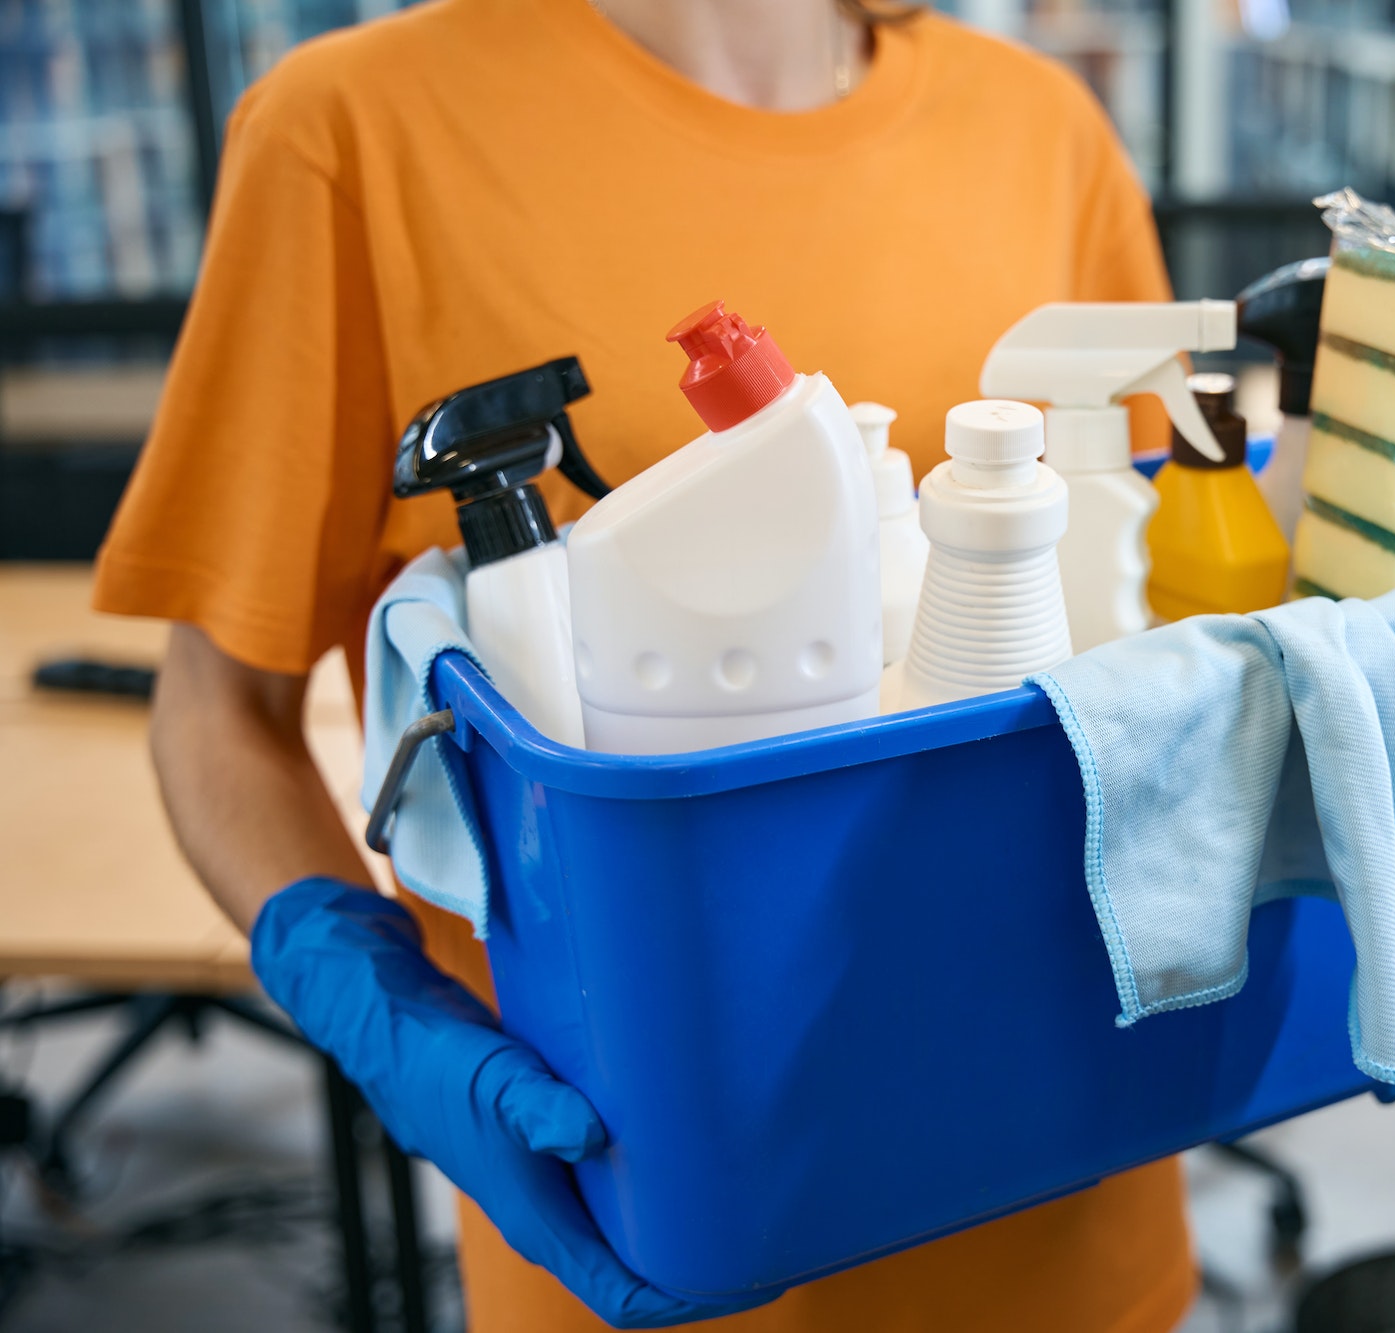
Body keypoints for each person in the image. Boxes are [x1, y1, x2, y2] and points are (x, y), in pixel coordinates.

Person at [94, 0, 1195, 1329]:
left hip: (1066, 1221)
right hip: (655, 1234)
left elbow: (1171, 635)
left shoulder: (1045, 132)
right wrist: (368, 992)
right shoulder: (353, 135)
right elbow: (219, 709)